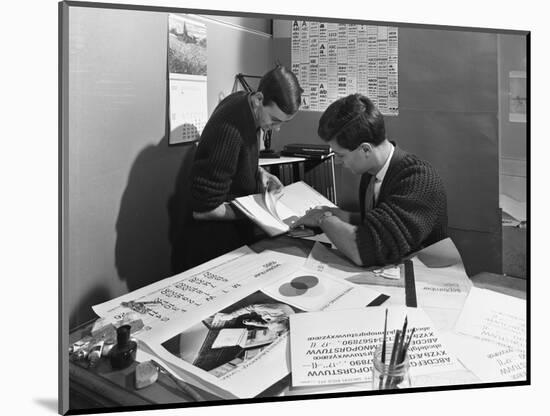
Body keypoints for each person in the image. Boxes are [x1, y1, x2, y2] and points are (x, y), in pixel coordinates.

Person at [292, 93, 447, 267]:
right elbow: (376, 221)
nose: (338, 161)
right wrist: (336, 213)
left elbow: (365, 250)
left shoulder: (419, 180)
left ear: (365, 149)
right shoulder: (370, 173)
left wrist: (324, 219)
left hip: (424, 280)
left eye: (341, 155)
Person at [179, 65, 302, 270]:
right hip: (213, 249)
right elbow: (203, 210)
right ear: (259, 99)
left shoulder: (245, 103)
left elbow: (232, 161)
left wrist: (260, 173)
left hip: (235, 241)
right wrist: (256, 212)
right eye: (274, 120)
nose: (277, 128)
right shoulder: (230, 129)